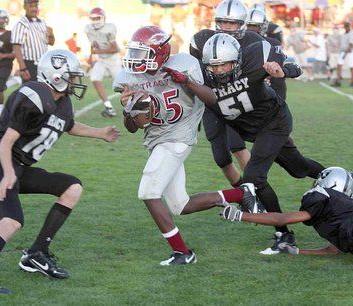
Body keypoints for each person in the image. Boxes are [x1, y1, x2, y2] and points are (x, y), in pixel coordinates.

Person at [0, 49, 120, 295]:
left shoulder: (62, 102)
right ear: (56, 76)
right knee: (12, 220)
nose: (76, 81)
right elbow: (6, 141)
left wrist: (100, 133)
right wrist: (9, 173)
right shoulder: (34, 97)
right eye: (72, 76)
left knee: (71, 188)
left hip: (18, 165)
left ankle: (36, 253)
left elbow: (69, 126)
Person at [114, 26, 263, 266]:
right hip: (156, 140)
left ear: (160, 53)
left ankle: (183, 253)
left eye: (143, 54)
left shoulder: (184, 64)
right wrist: (129, 111)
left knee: (148, 192)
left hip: (178, 138)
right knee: (179, 205)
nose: (136, 59)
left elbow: (212, 99)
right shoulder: (129, 78)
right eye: (135, 53)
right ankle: (240, 193)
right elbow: (132, 128)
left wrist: (187, 82)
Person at [196, 33, 325, 254]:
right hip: (253, 131)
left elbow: (296, 68)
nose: (218, 71)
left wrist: (281, 71)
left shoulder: (256, 58)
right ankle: (342, 179)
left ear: (237, 60)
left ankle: (284, 234)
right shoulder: (202, 78)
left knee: (254, 177)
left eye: (224, 64)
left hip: (275, 122)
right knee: (298, 168)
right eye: (213, 66)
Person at [190, 0, 264, 188]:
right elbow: (195, 75)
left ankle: (257, 190)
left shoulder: (253, 42)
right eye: (223, 22)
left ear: (242, 23)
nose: (226, 27)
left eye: (231, 23)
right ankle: (243, 194)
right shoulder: (201, 39)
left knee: (237, 145)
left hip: (237, 99)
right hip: (211, 102)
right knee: (221, 157)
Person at [221, 167, 353, 256]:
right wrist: (297, 251)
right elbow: (333, 249)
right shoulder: (339, 209)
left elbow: (281, 219)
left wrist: (240, 215)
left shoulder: (325, 199)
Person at [84, 7, 120, 118]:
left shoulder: (109, 28)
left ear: (103, 18)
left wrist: (99, 51)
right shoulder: (88, 29)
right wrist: (91, 58)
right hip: (101, 59)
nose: (95, 21)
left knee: (122, 85)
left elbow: (115, 49)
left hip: (113, 60)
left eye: (98, 18)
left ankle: (136, 106)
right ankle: (109, 107)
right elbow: (93, 44)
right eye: (93, 18)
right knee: (95, 79)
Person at [246, 8, 286, 100]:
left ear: (263, 26)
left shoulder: (273, 43)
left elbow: (278, 68)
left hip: (270, 85)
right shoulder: (238, 42)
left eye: (255, 26)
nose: (251, 29)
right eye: (249, 26)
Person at [11, 0, 55, 82]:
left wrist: (51, 34)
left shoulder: (42, 22)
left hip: (44, 64)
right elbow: (16, 47)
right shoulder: (21, 24)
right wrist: (23, 68)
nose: (34, 9)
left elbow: (51, 43)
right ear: (25, 7)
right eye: (31, 6)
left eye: (35, 6)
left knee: (45, 91)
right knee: (31, 92)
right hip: (30, 64)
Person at [333, 22, 353, 87]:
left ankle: (352, 82)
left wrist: (345, 54)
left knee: (351, 67)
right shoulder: (344, 34)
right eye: (345, 26)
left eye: (346, 26)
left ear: (349, 26)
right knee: (339, 65)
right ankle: (338, 80)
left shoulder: (351, 33)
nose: (345, 27)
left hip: (349, 53)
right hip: (343, 52)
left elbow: (351, 44)